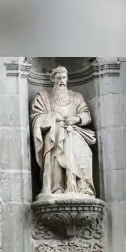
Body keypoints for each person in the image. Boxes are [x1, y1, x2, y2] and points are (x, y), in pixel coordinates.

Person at [30, 65, 97, 197]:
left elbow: (86, 115)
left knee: (83, 150)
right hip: (53, 135)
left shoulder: (76, 97)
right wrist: (53, 117)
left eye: (64, 77)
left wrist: (76, 119)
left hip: (74, 131)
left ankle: (78, 186)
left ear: (67, 79)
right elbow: (36, 117)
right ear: (52, 79)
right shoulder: (43, 97)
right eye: (58, 77)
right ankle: (57, 186)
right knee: (60, 139)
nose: (61, 80)